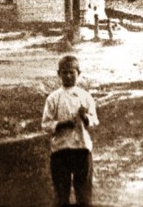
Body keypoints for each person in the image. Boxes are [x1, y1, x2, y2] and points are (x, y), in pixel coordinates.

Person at [42, 54, 98, 206]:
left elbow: (94, 121)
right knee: (61, 196)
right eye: (64, 72)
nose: (68, 76)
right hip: (61, 151)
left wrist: (85, 117)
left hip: (81, 150)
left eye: (71, 72)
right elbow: (45, 124)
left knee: (84, 195)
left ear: (78, 73)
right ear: (58, 74)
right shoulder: (53, 98)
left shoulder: (85, 97)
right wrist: (62, 124)